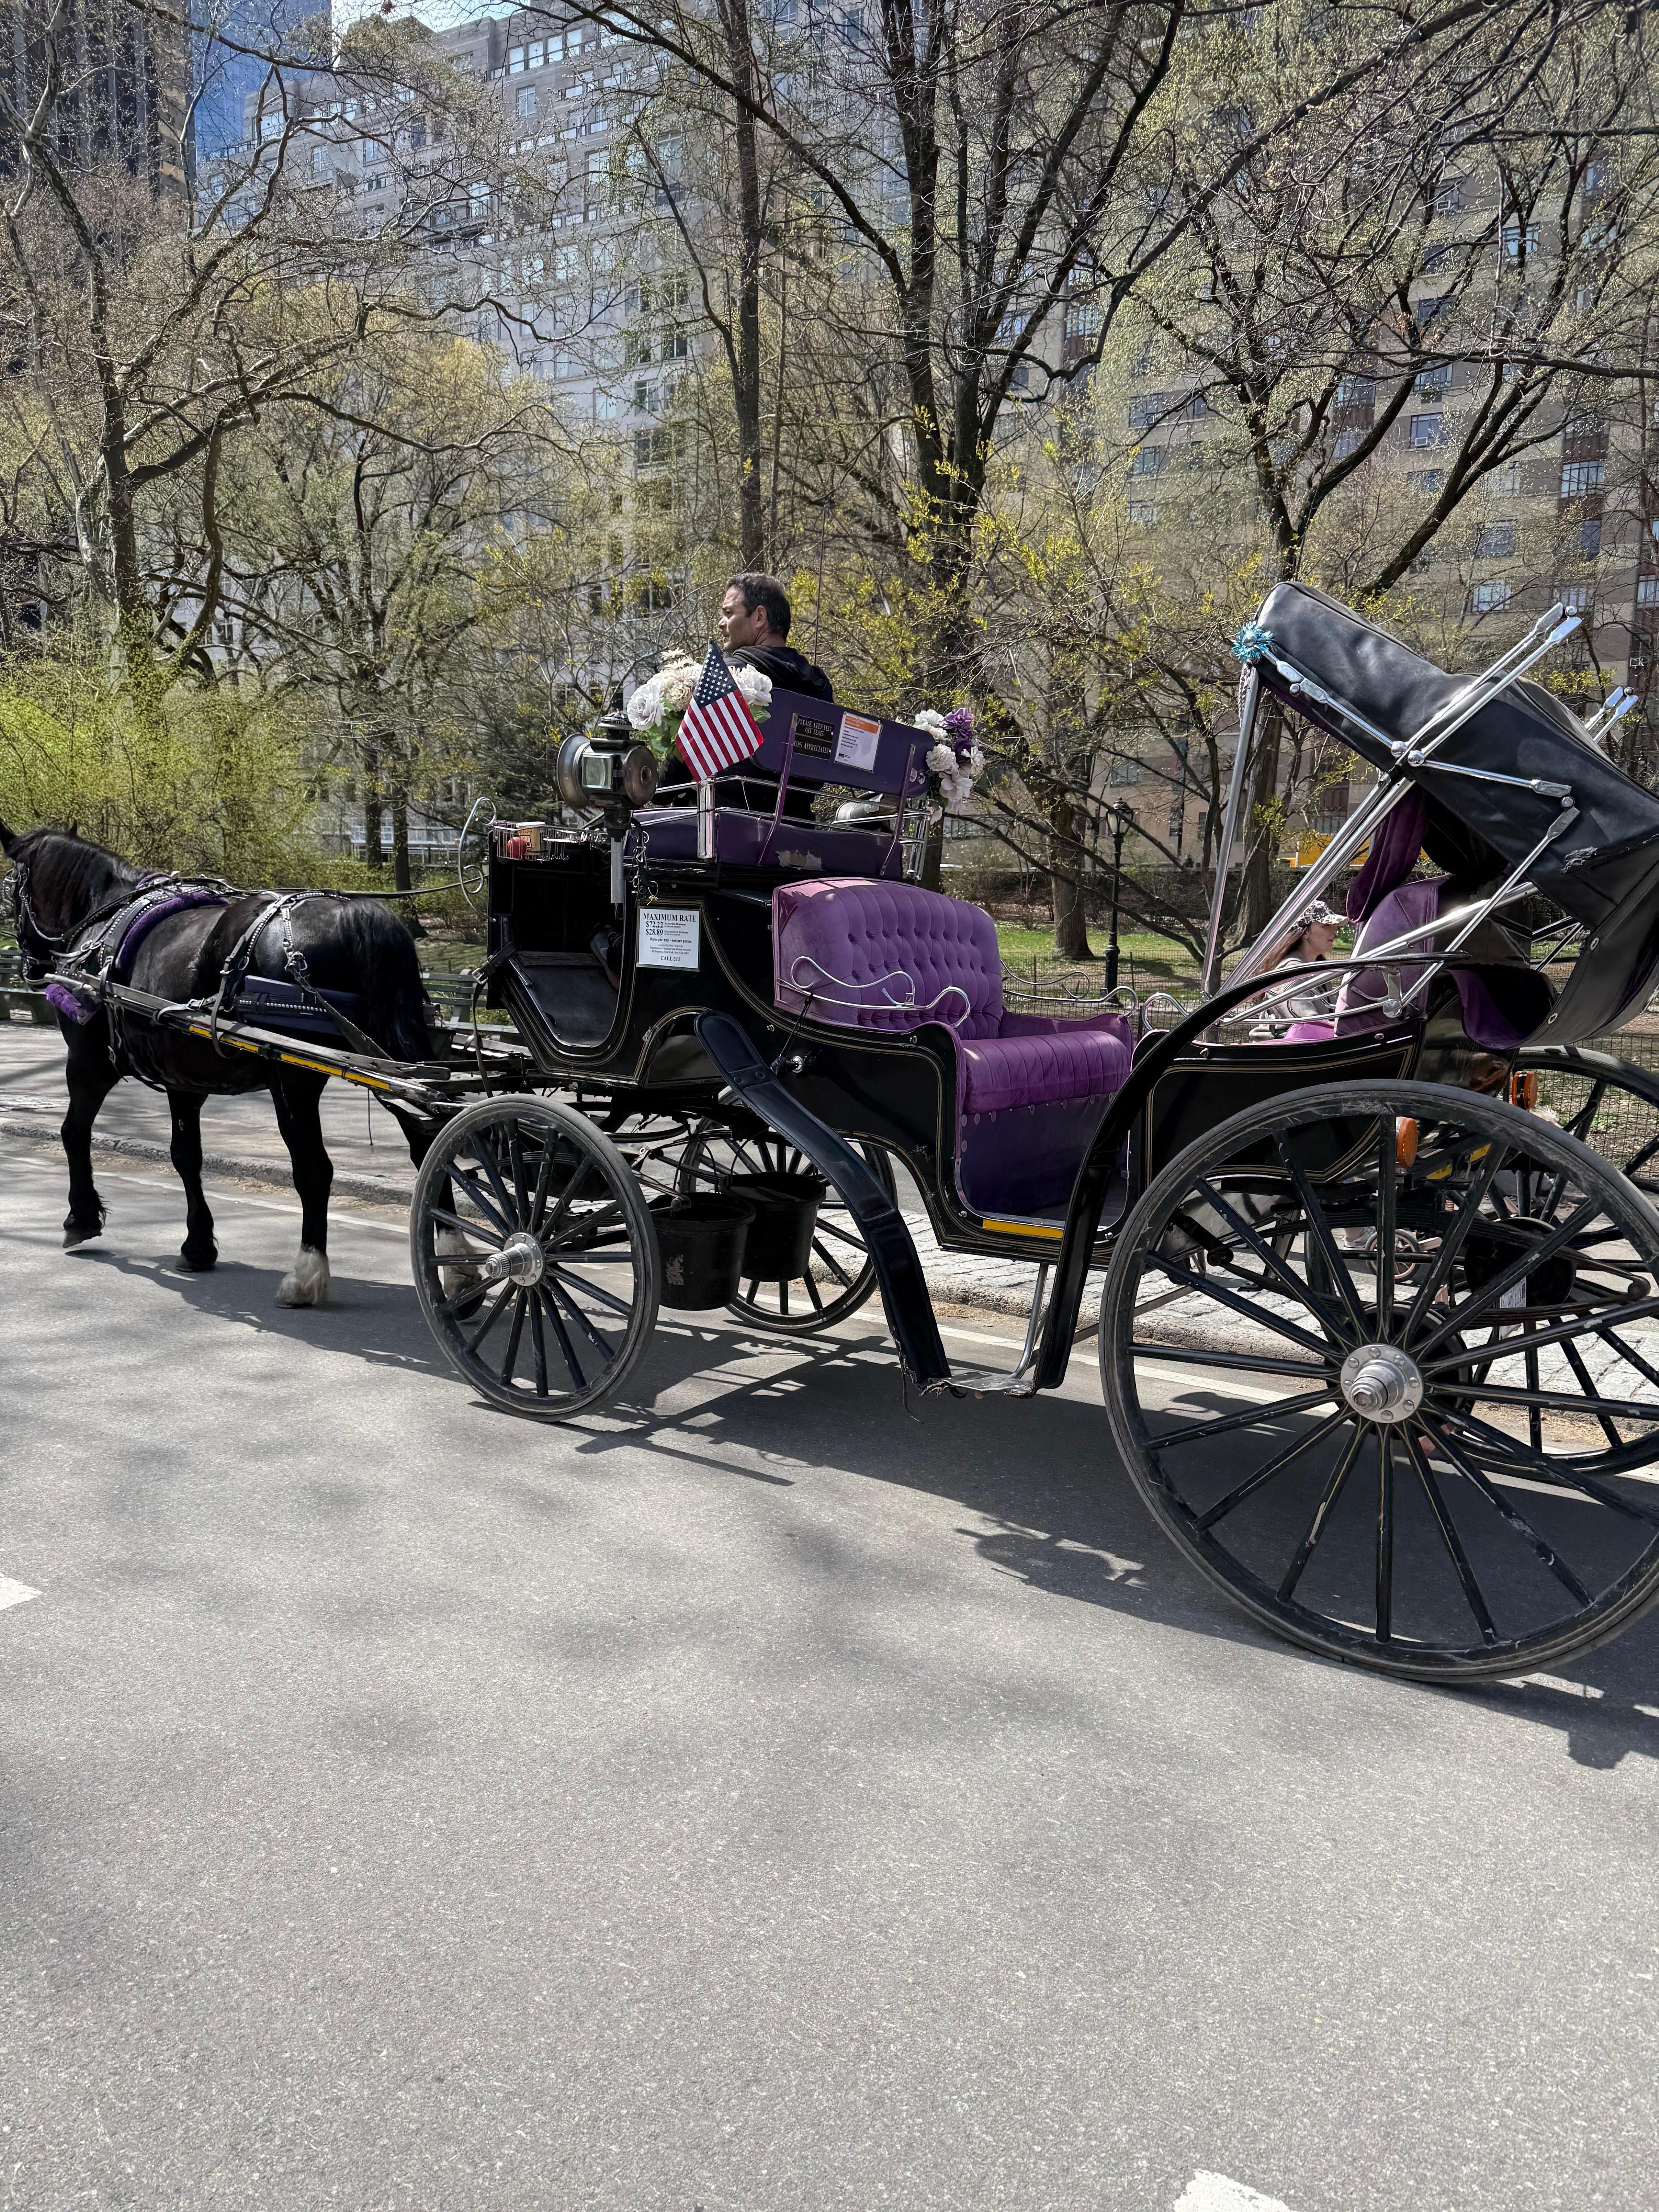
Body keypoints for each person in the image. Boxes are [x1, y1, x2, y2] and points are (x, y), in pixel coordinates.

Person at [658, 572, 832, 814]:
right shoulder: (820, 686)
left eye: (729, 613)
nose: (721, 623)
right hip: (797, 823)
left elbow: (671, 780)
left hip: (722, 825)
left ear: (759, 617)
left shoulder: (729, 676)